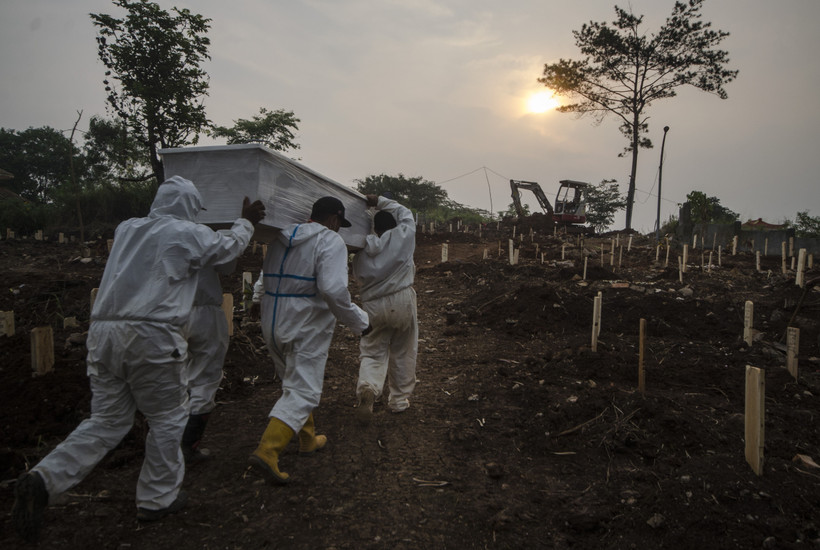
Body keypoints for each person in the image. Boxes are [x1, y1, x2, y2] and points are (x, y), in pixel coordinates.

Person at [12, 176, 265, 542]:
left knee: (106, 421)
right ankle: (156, 499)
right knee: (167, 417)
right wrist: (246, 221)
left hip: (104, 333)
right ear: (190, 208)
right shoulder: (186, 232)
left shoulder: (128, 229)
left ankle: (43, 479)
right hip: (152, 334)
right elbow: (227, 249)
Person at [249, 196, 370, 484]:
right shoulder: (331, 241)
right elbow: (333, 290)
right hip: (305, 322)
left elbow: (264, 276)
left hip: (273, 318)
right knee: (304, 390)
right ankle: (268, 450)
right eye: (339, 223)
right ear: (334, 219)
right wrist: (360, 322)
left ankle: (307, 439)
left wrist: (256, 299)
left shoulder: (281, 236)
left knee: (292, 382)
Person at [352, 194, 418, 423]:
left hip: (373, 305)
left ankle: (368, 388)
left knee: (372, 351)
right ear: (394, 224)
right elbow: (405, 213)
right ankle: (399, 401)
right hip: (402, 299)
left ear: (375, 228)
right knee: (403, 350)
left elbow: (359, 279)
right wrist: (379, 200)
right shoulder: (404, 235)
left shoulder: (360, 253)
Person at [181, 254, 237, 463]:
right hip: (204, 309)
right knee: (205, 377)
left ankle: (168, 444)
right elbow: (227, 265)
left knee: (175, 375)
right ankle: (188, 444)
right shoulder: (207, 237)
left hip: (169, 309)